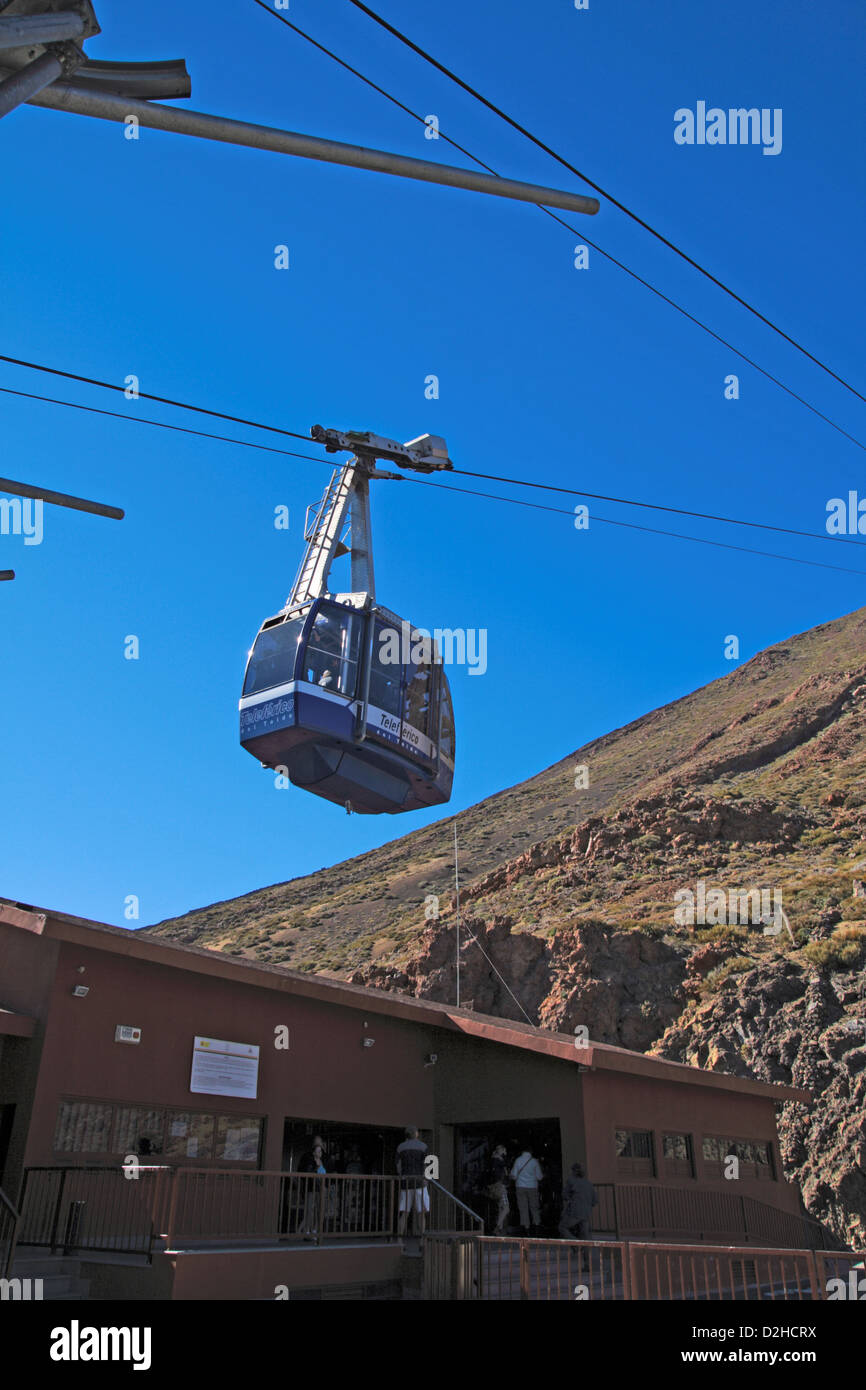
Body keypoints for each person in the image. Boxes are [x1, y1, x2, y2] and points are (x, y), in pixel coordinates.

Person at [396, 1126, 429, 1237]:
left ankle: (399, 1240)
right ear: (416, 1134)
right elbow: (426, 1165)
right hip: (420, 1183)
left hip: (406, 1182)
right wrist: (425, 1179)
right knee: (421, 1213)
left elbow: (398, 1166)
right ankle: (422, 1241)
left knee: (404, 1213)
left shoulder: (400, 1147)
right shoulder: (423, 1146)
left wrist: (401, 1176)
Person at [558, 1162, 598, 1241]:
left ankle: (575, 1244)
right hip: (586, 1213)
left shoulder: (571, 1181)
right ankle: (585, 1251)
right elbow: (595, 1201)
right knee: (585, 1234)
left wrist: (571, 1200)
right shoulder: (589, 1183)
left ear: (573, 1171)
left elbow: (564, 1195)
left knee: (562, 1227)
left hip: (575, 1212)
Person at [298, 1138, 329, 1239]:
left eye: (321, 1151)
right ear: (314, 1152)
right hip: (311, 1188)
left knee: (319, 1210)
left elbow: (324, 1174)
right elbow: (308, 1172)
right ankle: (306, 1230)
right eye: (318, 1151)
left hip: (320, 1188)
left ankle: (315, 1230)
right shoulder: (309, 1160)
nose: (320, 1153)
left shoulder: (322, 1161)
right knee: (309, 1209)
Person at [510, 1145, 543, 1235]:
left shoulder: (518, 1160)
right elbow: (540, 1177)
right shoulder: (534, 1161)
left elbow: (513, 1175)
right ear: (531, 1152)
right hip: (532, 1187)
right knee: (534, 1207)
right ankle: (536, 1226)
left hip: (520, 1187)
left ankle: (526, 1229)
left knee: (523, 1208)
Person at [487, 1143, 510, 1236]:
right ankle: (497, 1227)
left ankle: (499, 1230)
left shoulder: (492, 1160)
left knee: (501, 1207)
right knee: (506, 1208)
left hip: (494, 1187)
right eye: (504, 1150)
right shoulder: (499, 1161)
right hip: (500, 1186)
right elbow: (505, 1174)